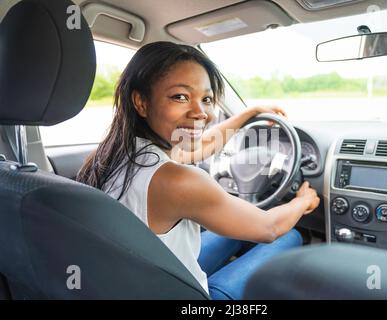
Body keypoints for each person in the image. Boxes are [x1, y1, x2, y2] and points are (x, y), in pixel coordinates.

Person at [76, 41, 320, 300]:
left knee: (232, 234)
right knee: (289, 235)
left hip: (136, 279)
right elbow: (269, 228)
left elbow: (202, 145)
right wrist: (302, 202)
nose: (201, 113)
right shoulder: (176, 180)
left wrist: (249, 113)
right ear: (141, 102)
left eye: (206, 99)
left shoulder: (114, 154)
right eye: (180, 96)